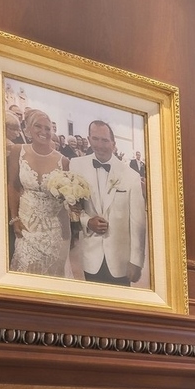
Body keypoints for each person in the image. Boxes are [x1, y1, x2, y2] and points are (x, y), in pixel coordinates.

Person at [69, 120, 147, 286]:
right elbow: (69, 205)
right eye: (95, 139)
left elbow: (138, 223)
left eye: (105, 140)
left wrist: (136, 261)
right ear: (89, 139)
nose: (100, 145)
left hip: (120, 260)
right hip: (91, 256)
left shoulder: (130, 175)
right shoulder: (75, 166)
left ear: (113, 143)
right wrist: (87, 221)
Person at [6, 109, 72, 277]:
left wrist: (66, 233)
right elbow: (12, 185)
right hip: (26, 226)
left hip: (53, 229)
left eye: (48, 128)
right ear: (28, 129)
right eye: (38, 127)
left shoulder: (63, 161)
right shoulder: (17, 151)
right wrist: (14, 219)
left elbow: (65, 200)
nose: (43, 132)